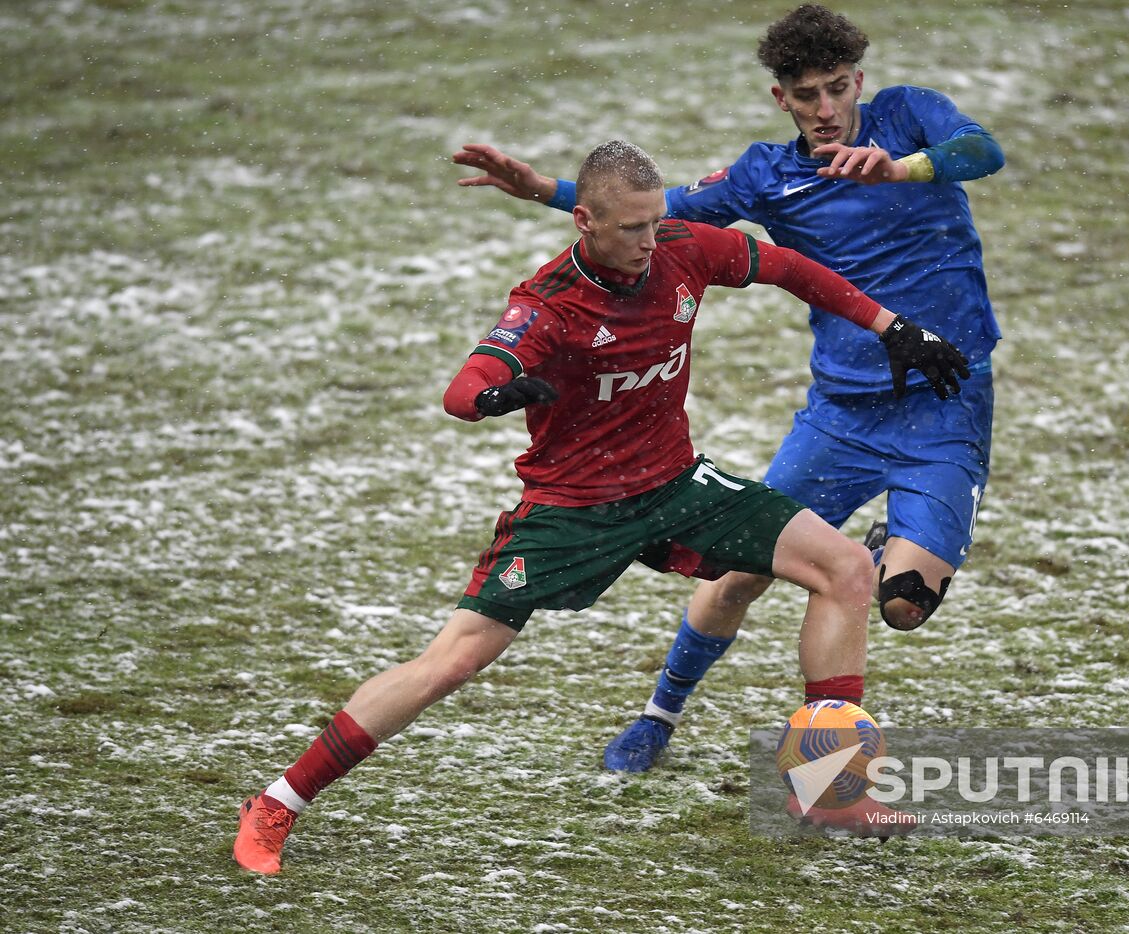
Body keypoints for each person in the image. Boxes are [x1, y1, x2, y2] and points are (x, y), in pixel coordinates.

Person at [233, 140, 965, 873]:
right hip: (573, 510)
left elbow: (786, 267)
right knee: (451, 662)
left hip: (675, 486)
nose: (650, 241)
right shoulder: (548, 304)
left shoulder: (680, 247)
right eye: (631, 228)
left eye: (655, 221)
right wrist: (495, 396)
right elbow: (462, 390)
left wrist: (891, 327)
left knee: (845, 568)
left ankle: (831, 788)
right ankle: (275, 804)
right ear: (585, 221)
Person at [453, 4, 1006, 773]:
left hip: (947, 407)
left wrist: (901, 167)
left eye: (838, 88)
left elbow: (983, 150)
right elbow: (660, 211)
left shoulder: (910, 117)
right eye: (806, 94)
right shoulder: (767, 176)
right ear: (781, 98)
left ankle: (880, 561)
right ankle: (659, 714)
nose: (825, 108)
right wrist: (545, 188)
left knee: (906, 604)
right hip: (841, 417)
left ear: (859, 82)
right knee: (738, 575)